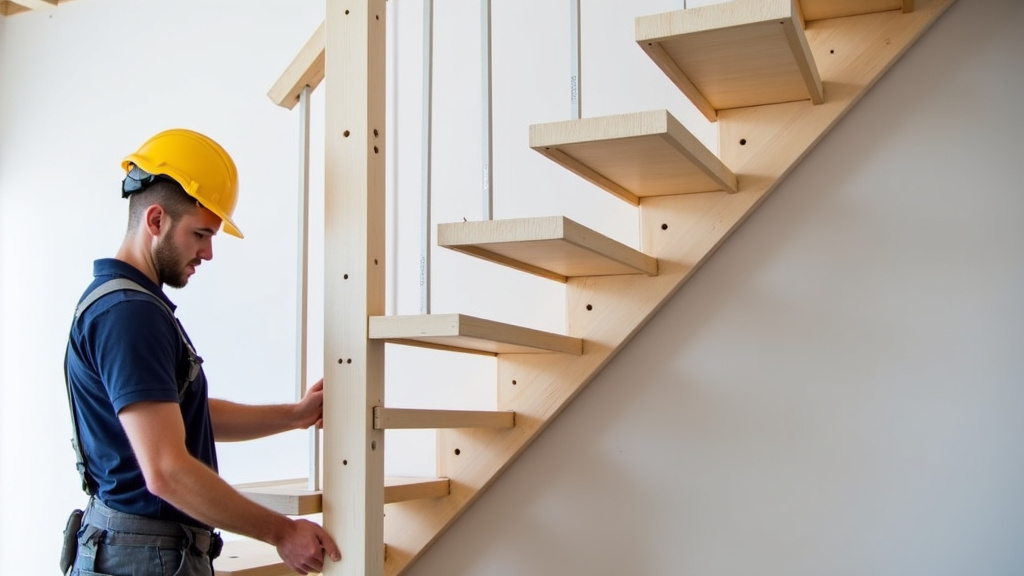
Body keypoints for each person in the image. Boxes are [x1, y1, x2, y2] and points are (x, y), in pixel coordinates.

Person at [62, 128, 340, 576]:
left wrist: (295, 415)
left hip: (140, 552)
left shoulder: (126, 303)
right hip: (143, 558)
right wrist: (282, 533)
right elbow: (167, 470)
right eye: (200, 234)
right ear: (156, 221)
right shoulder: (129, 314)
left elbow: (184, 415)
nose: (208, 252)